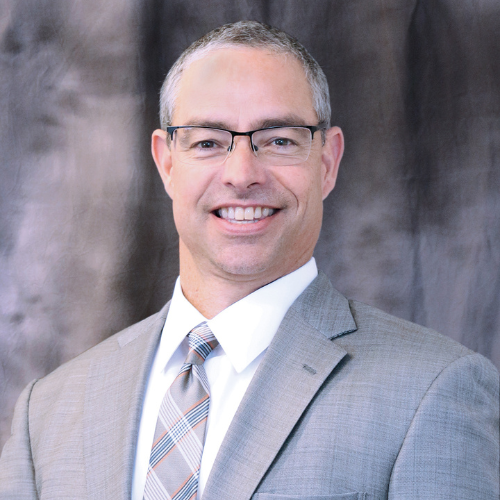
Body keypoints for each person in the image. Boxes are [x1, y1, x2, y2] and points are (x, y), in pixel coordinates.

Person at [0, 20, 498, 500]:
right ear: (166, 162)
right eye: (208, 142)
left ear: (327, 162)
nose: (241, 174)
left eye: (279, 140)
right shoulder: (46, 412)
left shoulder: (435, 390)